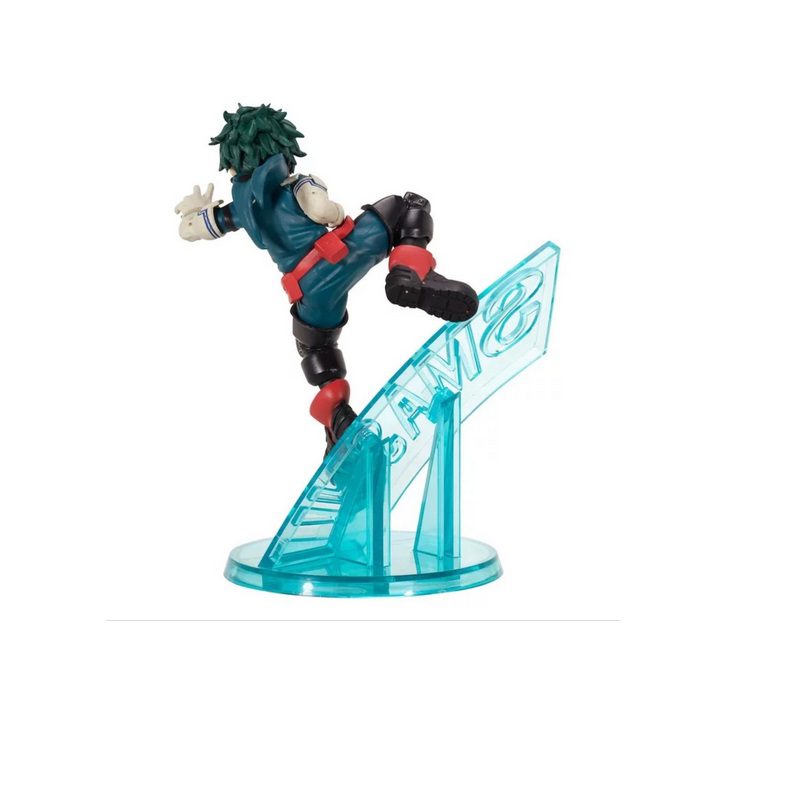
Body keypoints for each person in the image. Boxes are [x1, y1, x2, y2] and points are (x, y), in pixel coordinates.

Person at [175, 103, 478, 453]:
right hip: (336, 257)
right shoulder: (298, 184)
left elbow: (189, 230)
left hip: (306, 292)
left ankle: (336, 418)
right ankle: (410, 273)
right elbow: (320, 210)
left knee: (317, 347)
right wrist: (336, 214)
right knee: (404, 206)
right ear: (284, 148)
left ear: (232, 165)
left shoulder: (243, 211)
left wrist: (194, 210)